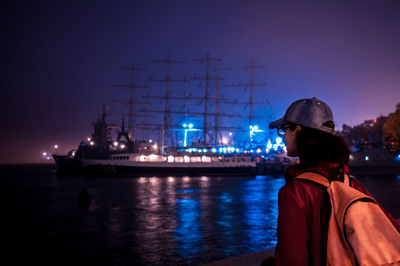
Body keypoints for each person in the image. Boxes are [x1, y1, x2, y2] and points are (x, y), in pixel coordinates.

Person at [266, 97, 400, 265]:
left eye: (285, 129)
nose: (283, 137)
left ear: (298, 130)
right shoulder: (350, 183)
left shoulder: (295, 192)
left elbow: (292, 259)